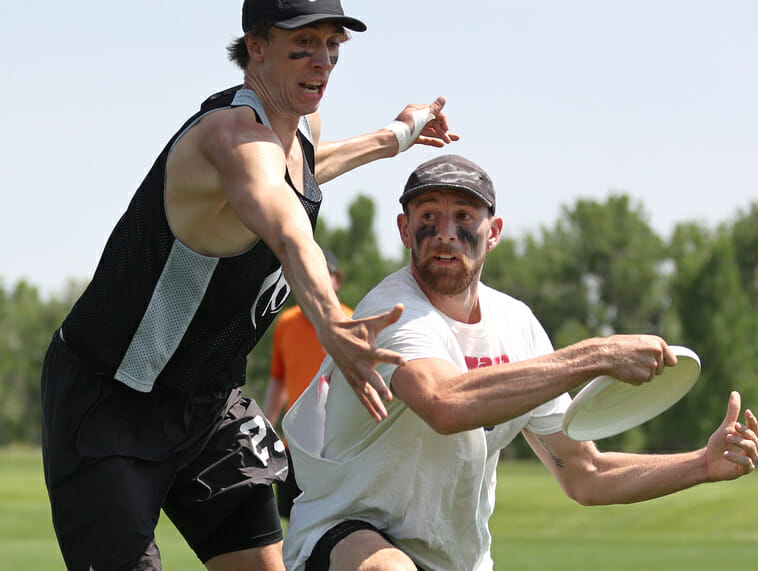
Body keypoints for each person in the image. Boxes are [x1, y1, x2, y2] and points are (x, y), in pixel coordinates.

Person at [39, 0, 459, 569]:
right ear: (255, 47)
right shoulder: (229, 137)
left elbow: (304, 165)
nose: (323, 61)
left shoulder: (298, 130)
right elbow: (288, 232)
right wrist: (332, 320)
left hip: (209, 404)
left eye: (332, 44)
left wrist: (396, 134)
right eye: (303, 45)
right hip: (111, 402)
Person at [281, 154, 758, 571]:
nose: (446, 233)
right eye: (429, 216)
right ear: (405, 230)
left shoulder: (518, 325)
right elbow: (444, 403)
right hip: (347, 533)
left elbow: (584, 474)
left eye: (464, 217)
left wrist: (701, 463)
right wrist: (594, 355)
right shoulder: (391, 313)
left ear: (493, 233)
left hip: (456, 557)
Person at [264, 249, 353, 518]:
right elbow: (277, 381)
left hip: (338, 449)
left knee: (335, 525)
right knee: (293, 527)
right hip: (295, 447)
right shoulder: (286, 323)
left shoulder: (352, 322)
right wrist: (267, 431)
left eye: (322, 273)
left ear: (337, 280)